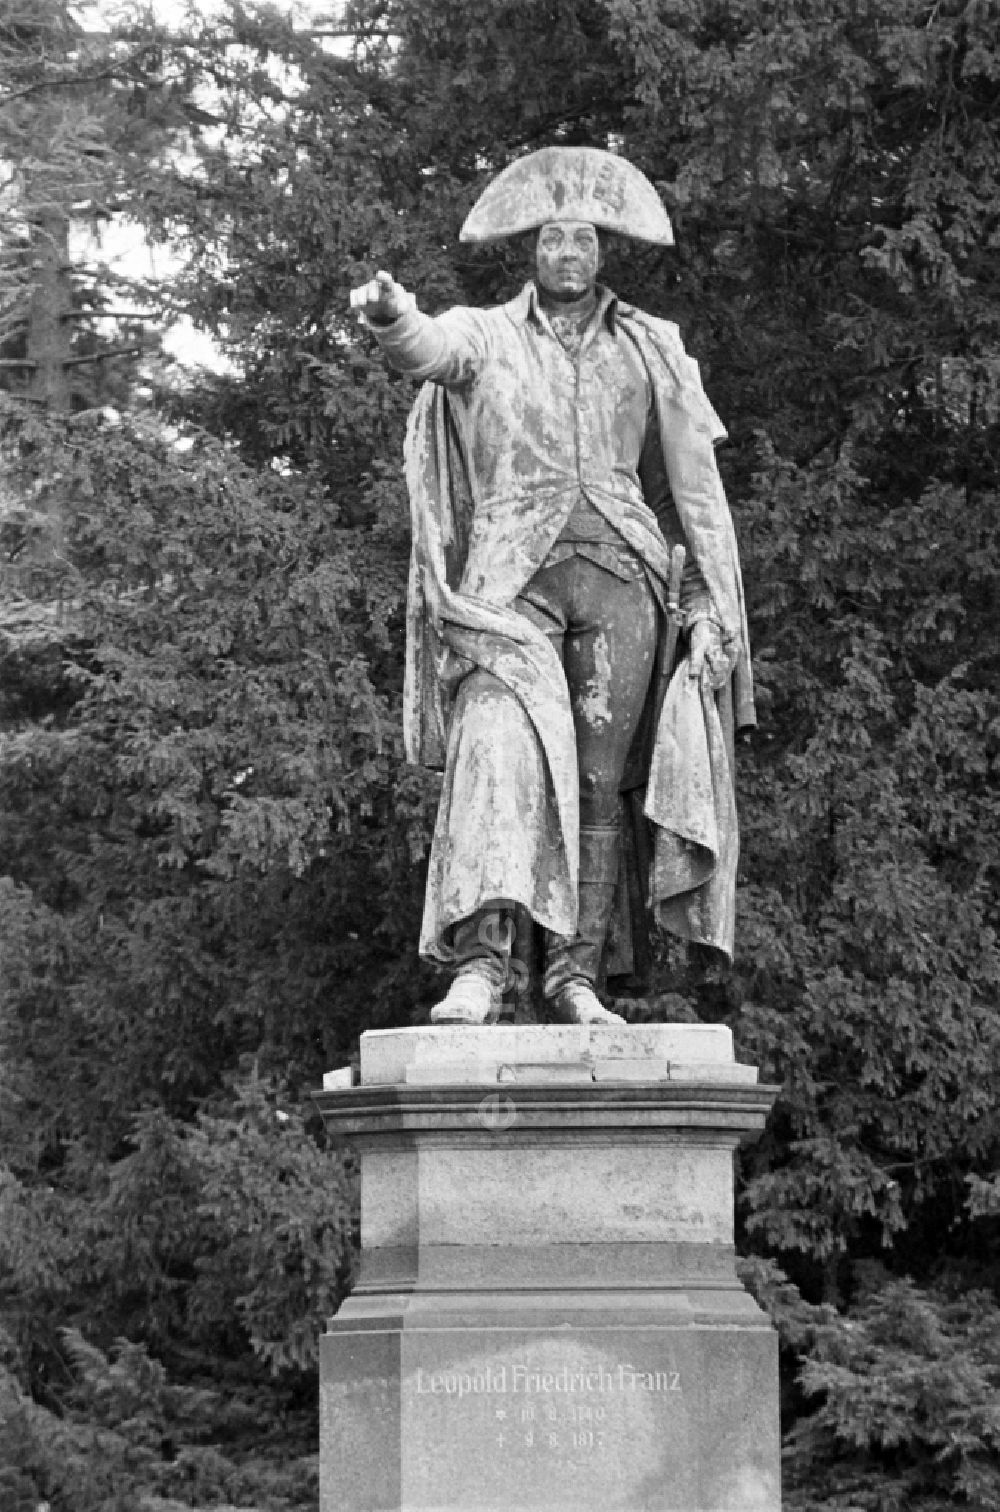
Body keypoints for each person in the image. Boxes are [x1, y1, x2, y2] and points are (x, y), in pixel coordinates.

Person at [350, 147, 754, 1026]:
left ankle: (576, 975)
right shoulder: (488, 334)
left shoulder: (651, 346)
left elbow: (693, 488)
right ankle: (481, 965)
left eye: (584, 238)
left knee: (603, 784)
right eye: (552, 238)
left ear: (602, 250)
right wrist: (392, 317)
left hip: (623, 578)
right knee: (494, 744)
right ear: (530, 251)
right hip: (509, 581)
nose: (568, 251)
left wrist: (715, 600)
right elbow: (428, 348)